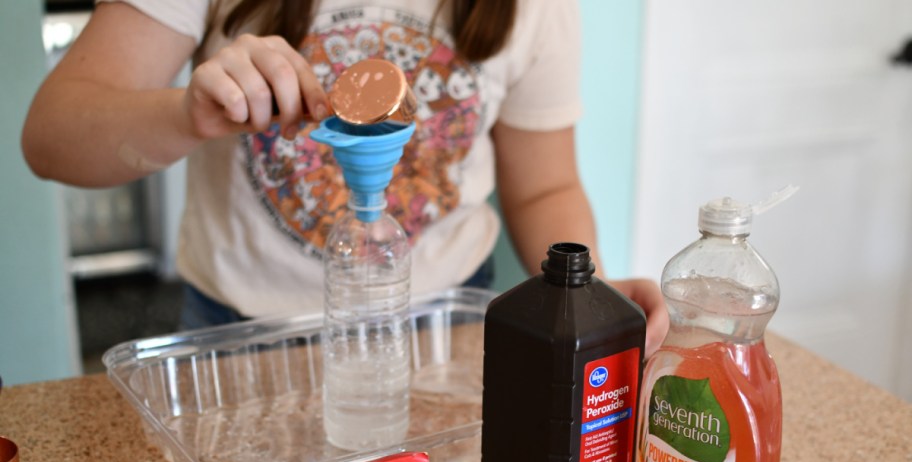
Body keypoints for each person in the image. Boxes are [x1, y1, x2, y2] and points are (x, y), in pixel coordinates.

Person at [22, 0, 668, 355]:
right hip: (242, 338)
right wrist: (187, 112)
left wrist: (589, 296)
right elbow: (54, 139)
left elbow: (544, 188)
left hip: (447, 332)